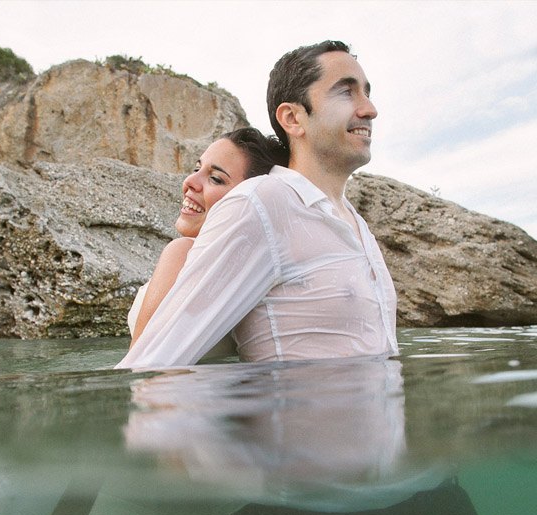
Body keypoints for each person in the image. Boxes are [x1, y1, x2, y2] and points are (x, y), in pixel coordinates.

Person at [116, 40, 397, 370]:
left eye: (366, 92)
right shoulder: (260, 203)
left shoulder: (357, 224)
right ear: (292, 118)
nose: (369, 109)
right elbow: (151, 362)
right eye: (345, 92)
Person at [127, 127, 288, 352]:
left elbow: (140, 362)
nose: (190, 181)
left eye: (215, 178)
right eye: (196, 168)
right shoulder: (267, 274)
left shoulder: (182, 253)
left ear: (252, 198)